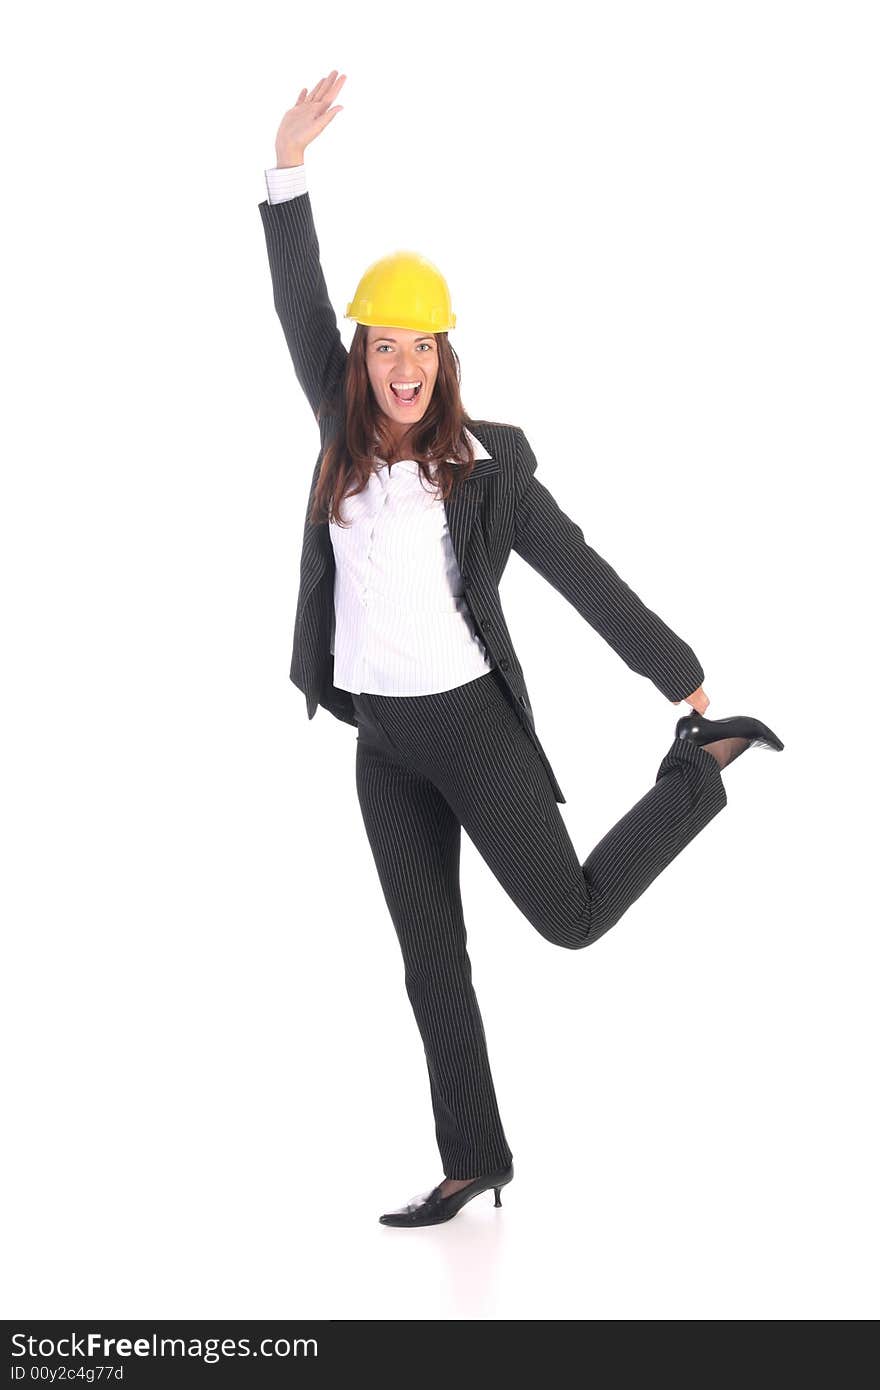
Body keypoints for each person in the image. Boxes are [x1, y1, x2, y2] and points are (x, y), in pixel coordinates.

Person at [258, 70, 784, 1229]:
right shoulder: (339, 434)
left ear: (447, 355)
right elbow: (298, 300)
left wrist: (679, 673)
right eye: (383, 347)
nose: (402, 367)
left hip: (470, 727)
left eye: (422, 349)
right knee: (429, 962)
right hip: (383, 739)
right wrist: (286, 166)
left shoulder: (489, 470)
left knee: (571, 919)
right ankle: (472, 1160)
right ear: (359, 356)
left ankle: (704, 770)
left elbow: (583, 573)